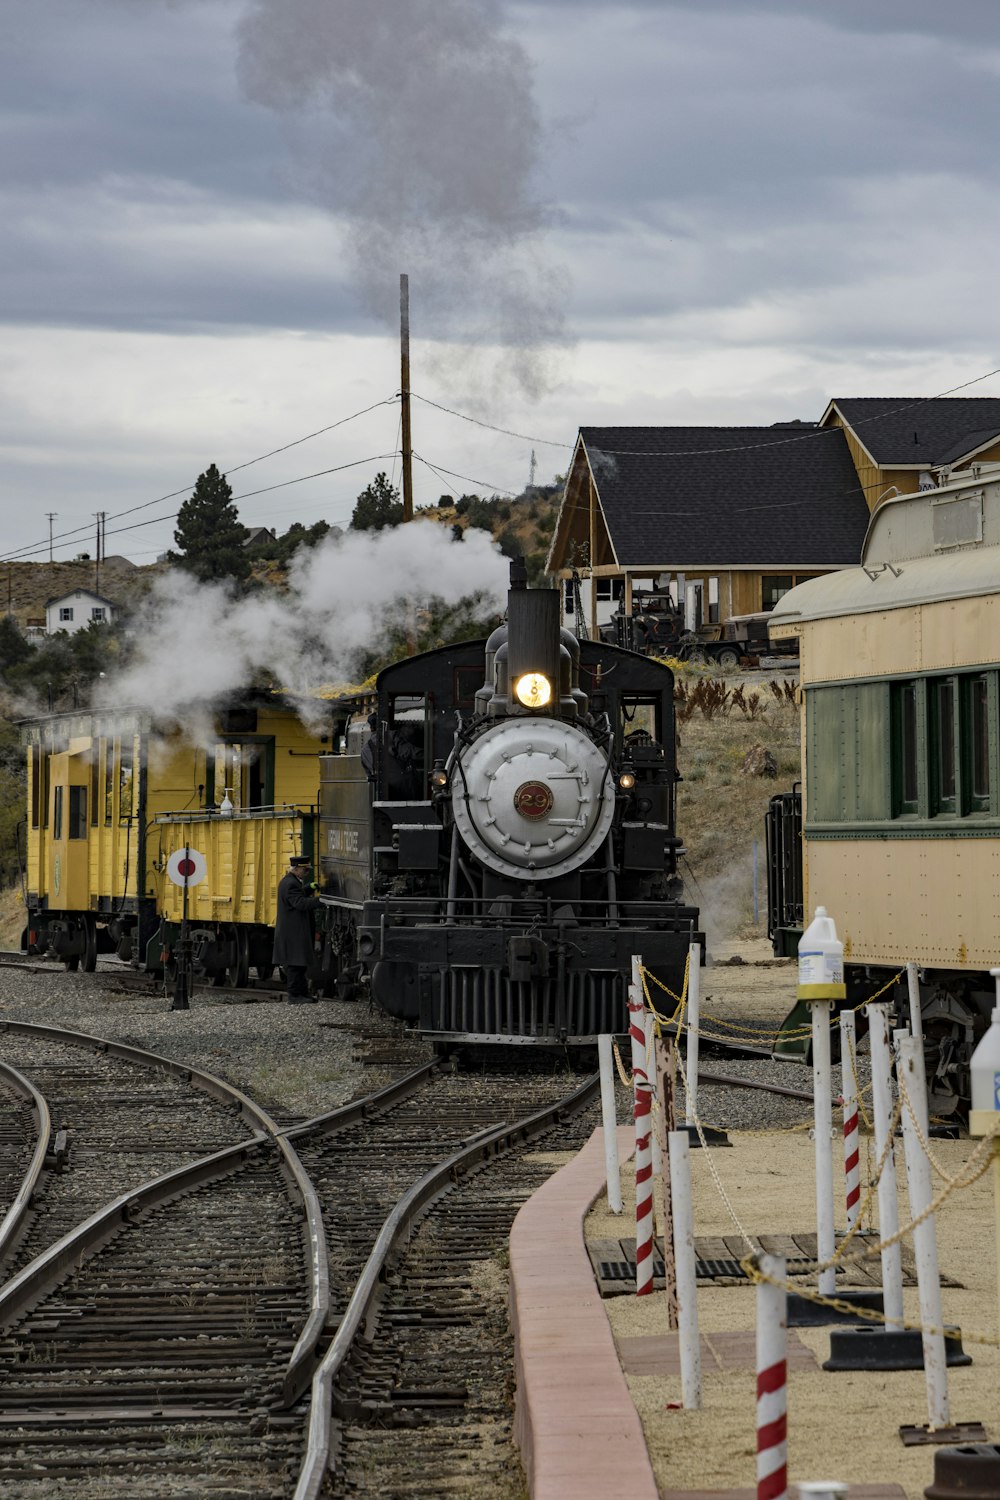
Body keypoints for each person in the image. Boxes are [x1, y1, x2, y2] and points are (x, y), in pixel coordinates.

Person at [273, 855, 321, 1004]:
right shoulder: (291, 884)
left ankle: (302, 993)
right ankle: (294, 996)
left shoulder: (291, 882)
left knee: (300, 964)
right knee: (295, 964)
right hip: (292, 932)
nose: (306, 873)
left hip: (293, 931)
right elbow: (299, 903)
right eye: (305, 870)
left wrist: (308, 888)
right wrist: (321, 901)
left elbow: (297, 896)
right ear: (297, 869)